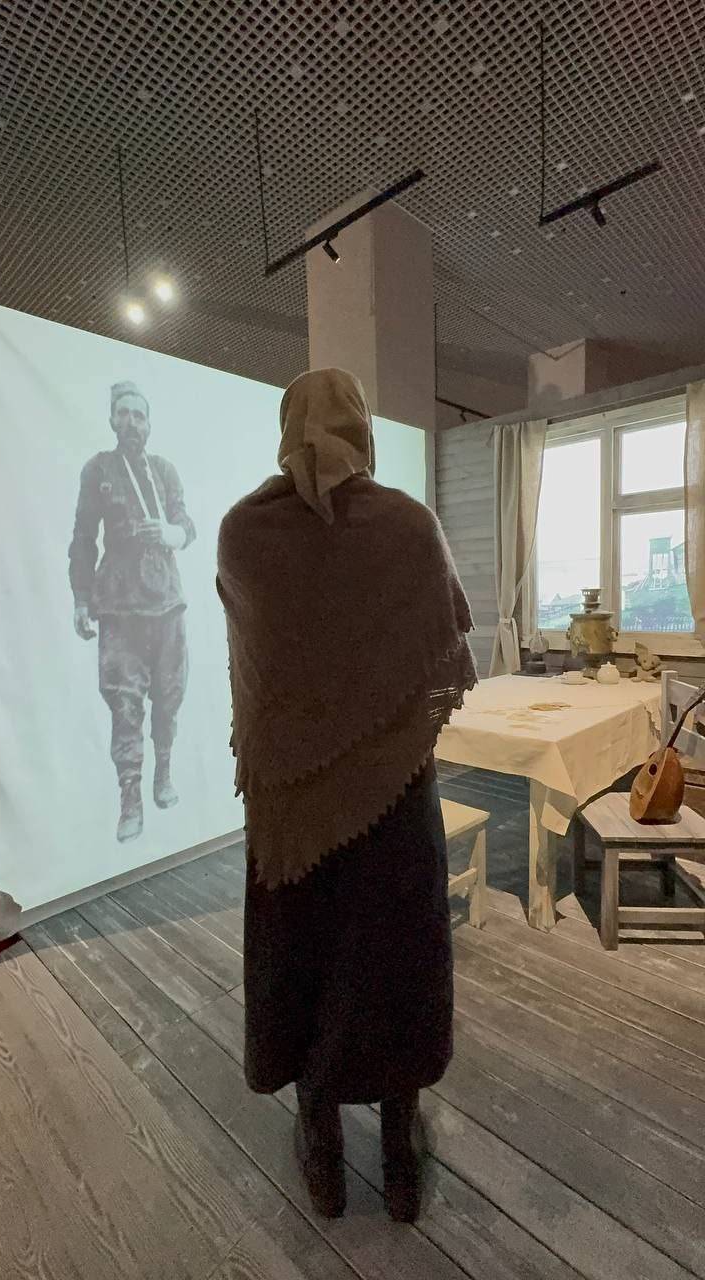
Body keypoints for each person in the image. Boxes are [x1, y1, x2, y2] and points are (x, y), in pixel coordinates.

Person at [216, 368, 476, 1223]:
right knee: (397, 965)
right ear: (362, 428)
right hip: (395, 803)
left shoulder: (243, 533)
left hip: (289, 813)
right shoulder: (409, 526)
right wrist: (391, 745)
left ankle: (322, 1148)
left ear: (288, 428)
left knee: (303, 960)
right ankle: (398, 1155)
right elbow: (444, 662)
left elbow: (256, 670)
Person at [69, 381, 196, 843]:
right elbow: (83, 538)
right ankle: (130, 798)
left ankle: (163, 774)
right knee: (124, 703)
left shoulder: (164, 471)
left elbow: (187, 525)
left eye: (138, 416)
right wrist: (81, 599)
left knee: (169, 696)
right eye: (123, 414)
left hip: (166, 602)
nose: (131, 423)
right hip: (119, 605)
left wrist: (168, 532)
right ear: (111, 419)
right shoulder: (98, 470)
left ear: (149, 424)